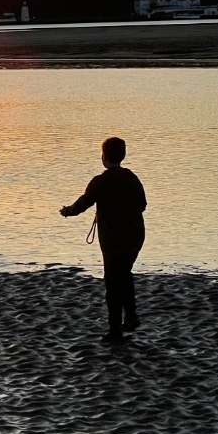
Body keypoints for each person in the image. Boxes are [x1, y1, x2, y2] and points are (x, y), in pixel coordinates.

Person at [60, 136, 147, 342]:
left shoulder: (101, 181)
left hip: (113, 240)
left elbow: (82, 204)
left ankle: (115, 330)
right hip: (135, 236)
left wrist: (67, 211)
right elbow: (143, 204)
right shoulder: (132, 178)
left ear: (104, 157)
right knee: (124, 274)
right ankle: (131, 315)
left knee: (112, 283)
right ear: (122, 155)